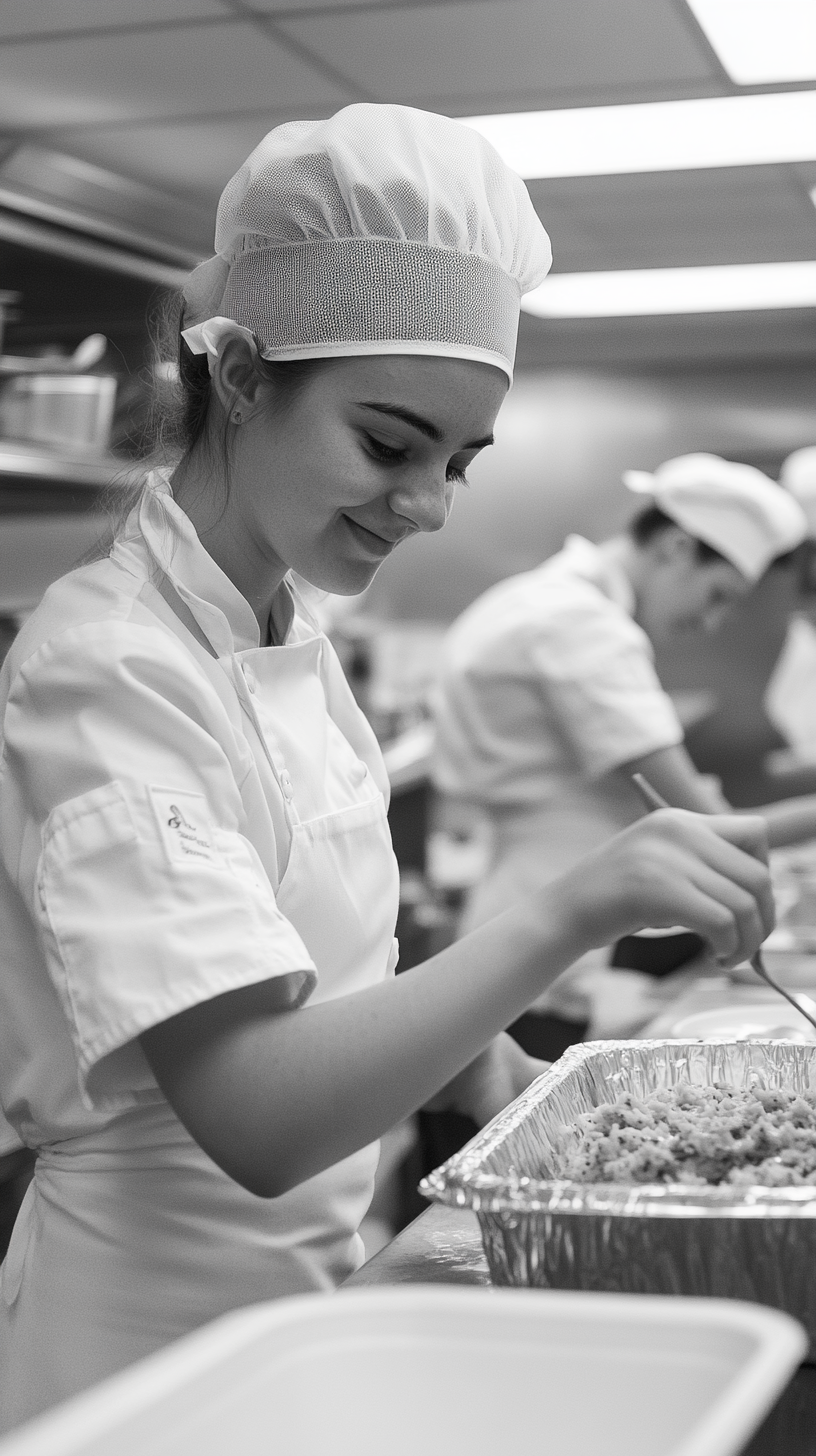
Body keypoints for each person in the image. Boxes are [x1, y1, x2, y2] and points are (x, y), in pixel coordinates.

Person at [0, 106, 775, 1429]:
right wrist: (573, 907)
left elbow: (343, 962)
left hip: (305, 1312)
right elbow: (257, 1112)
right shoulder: (106, 670)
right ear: (241, 375)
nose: (427, 505)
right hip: (138, 1349)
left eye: (461, 461)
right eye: (389, 442)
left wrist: (502, 1091)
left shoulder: (286, 631)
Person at [432, 453, 815, 1049]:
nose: (711, 622)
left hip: (527, 919)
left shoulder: (551, 600)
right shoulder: (580, 625)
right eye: (717, 595)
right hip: (539, 940)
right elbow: (701, 823)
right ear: (677, 548)